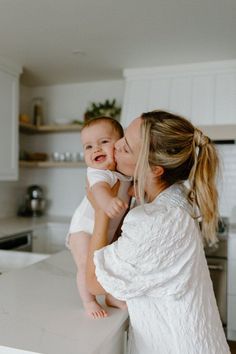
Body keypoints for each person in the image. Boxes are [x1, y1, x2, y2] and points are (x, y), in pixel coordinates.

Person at [86, 110, 230, 353]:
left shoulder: (158, 222)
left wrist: (101, 210)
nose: (116, 145)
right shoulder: (172, 200)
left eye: (127, 148)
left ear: (155, 170)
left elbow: (95, 283)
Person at [66, 116, 131, 319]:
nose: (96, 149)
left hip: (105, 230)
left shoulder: (124, 174)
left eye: (104, 142)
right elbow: (99, 190)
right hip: (83, 229)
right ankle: (89, 301)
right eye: (88, 146)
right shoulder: (98, 172)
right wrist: (107, 203)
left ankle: (111, 296)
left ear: (119, 145)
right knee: (87, 265)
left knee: (108, 264)